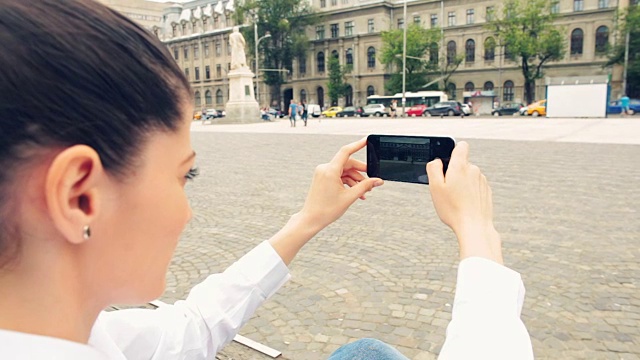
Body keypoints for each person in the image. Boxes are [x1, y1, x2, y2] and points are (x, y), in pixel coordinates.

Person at [0, 1, 533, 359]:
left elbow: (193, 326)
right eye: (187, 175)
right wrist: (479, 241)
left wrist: (308, 221)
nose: (188, 209)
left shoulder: (75, 334)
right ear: (80, 196)